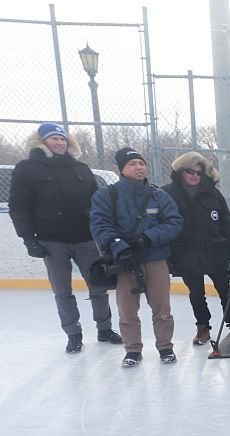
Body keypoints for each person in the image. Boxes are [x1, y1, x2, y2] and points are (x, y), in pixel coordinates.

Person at [9, 122, 121, 353]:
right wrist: (29, 239)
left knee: (98, 285)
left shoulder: (80, 168)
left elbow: (97, 204)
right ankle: (73, 334)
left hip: (86, 238)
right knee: (62, 290)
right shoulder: (27, 169)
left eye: (62, 139)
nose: (60, 143)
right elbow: (19, 207)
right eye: (53, 139)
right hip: (52, 241)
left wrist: (102, 231)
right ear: (41, 142)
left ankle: (104, 328)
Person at [89, 147, 183, 367]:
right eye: (132, 163)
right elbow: (100, 225)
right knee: (127, 310)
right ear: (120, 169)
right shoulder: (106, 196)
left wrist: (148, 238)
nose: (138, 167)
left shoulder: (159, 195)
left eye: (141, 163)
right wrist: (120, 247)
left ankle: (165, 347)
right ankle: (132, 350)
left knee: (162, 309)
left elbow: (174, 223)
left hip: (156, 259)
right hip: (124, 263)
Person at [162, 152, 230, 346]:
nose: (194, 176)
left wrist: (229, 248)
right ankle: (203, 328)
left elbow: (226, 222)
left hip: (214, 252)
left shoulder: (213, 195)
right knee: (196, 294)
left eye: (198, 173)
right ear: (181, 171)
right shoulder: (168, 194)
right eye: (190, 171)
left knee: (226, 292)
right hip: (186, 253)